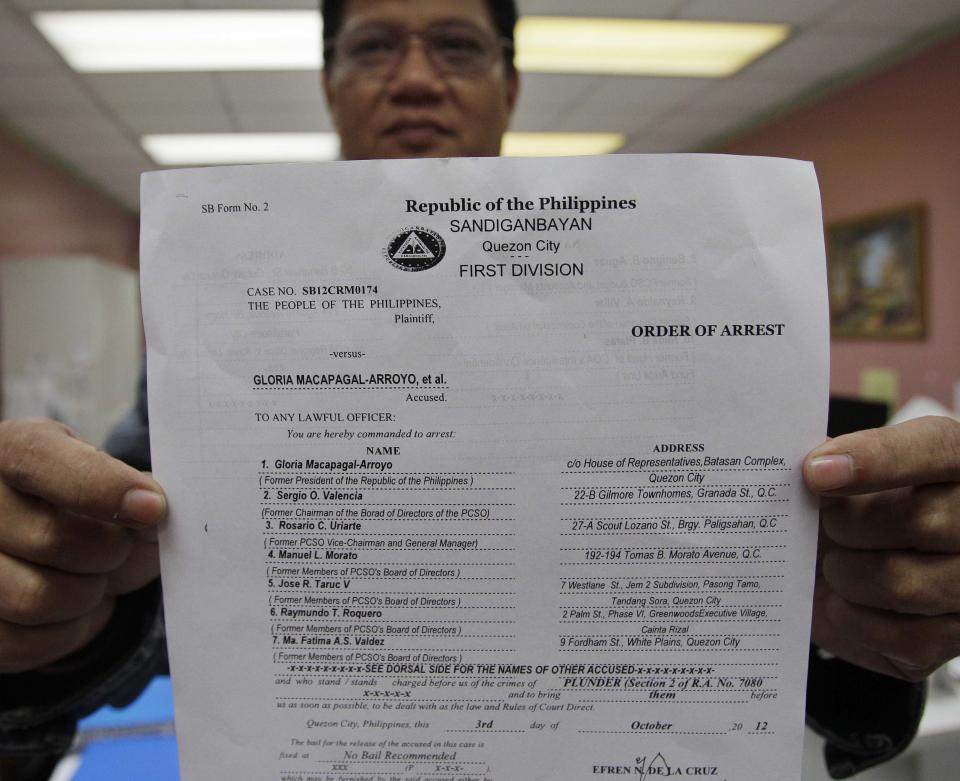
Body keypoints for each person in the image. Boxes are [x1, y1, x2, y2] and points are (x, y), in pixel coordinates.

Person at [0, 1, 957, 778]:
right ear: (329, 83)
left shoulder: (666, 278)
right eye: (373, 46)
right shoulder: (225, 309)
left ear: (511, 84)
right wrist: (50, 604)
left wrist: (875, 608)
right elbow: (127, 569)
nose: (415, 79)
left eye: (457, 45)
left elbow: (785, 588)